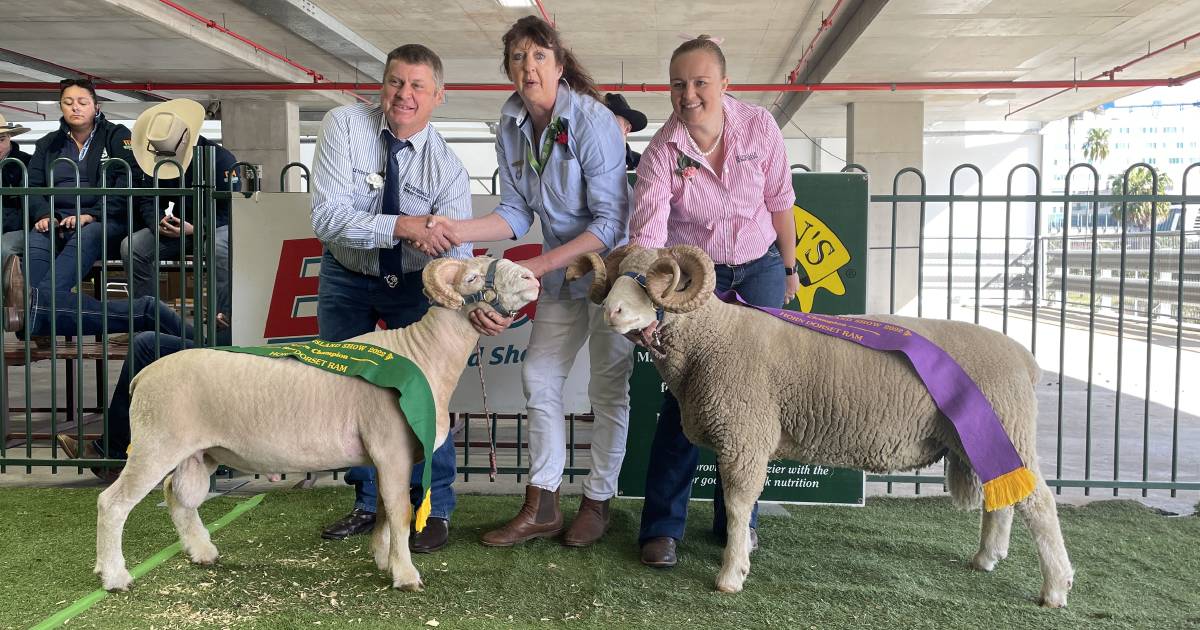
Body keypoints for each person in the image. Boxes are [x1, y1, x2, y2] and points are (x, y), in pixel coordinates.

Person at [436, 16, 633, 548]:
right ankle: (543, 503)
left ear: (559, 64)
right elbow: (516, 213)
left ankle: (597, 501)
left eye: (539, 56)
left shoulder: (591, 121)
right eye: (519, 58)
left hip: (613, 275)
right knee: (539, 377)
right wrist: (459, 229)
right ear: (508, 69)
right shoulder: (509, 124)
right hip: (559, 273)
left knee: (607, 389)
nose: (529, 67)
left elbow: (610, 223)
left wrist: (540, 267)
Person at [626, 35, 799, 568]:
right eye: (679, 84)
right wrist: (644, 305)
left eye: (701, 82)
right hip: (693, 278)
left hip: (760, 266)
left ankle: (737, 523)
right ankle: (661, 527)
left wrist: (789, 271)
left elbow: (781, 202)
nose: (690, 93)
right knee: (685, 397)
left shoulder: (760, 127)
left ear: (725, 84)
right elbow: (649, 235)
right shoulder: (662, 152)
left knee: (756, 400)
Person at [309, 44, 472, 553]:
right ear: (382, 85)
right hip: (348, 274)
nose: (404, 95)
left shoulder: (447, 166)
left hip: (419, 285)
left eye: (418, 86)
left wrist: (450, 269)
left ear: (438, 96)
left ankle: (433, 506)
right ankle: (368, 501)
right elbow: (328, 219)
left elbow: (458, 252)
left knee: (428, 396)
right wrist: (405, 227)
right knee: (346, 387)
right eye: (396, 82)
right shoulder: (343, 125)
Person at [2, 78, 190, 341]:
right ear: (61, 107)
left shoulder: (118, 136)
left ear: (96, 106)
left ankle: (35, 313)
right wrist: (45, 214)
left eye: (82, 102)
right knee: (36, 238)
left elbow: (129, 182)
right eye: (68, 103)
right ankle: (39, 317)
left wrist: (94, 214)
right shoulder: (48, 144)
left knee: (89, 234)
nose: (75, 108)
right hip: (57, 221)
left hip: (105, 222)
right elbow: (32, 186)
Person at [125, 98, 239, 317]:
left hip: (216, 226)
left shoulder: (222, 160)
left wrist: (198, 228)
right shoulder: (157, 158)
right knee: (132, 247)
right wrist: (157, 221)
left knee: (219, 248)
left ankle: (224, 319)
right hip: (178, 228)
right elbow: (148, 198)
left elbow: (231, 209)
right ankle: (147, 317)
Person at [1, 115, 34, 260]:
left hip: (24, 228)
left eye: (1, 140)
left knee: (4, 247)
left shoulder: (28, 164)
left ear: (10, 137)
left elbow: (32, 206)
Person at [603, 93, 647, 170]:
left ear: (627, 129)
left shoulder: (642, 163)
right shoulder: (586, 161)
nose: (604, 126)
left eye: (612, 121)